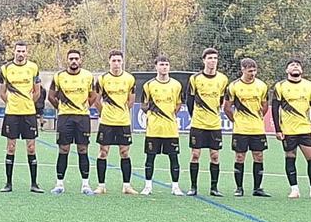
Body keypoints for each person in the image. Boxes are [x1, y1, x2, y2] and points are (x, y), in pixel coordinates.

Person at [272, 59, 311, 199]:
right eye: (291, 65)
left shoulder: (309, 86)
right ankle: (294, 189)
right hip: (288, 130)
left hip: (305, 129)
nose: (295, 66)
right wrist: (278, 129)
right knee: (290, 157)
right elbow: (274, 108)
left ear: (301, 70)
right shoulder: (280, 86)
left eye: (297, 65)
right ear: (287, 70)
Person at [49, 48, 97, 196]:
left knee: (83, 149)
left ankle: (85, 185)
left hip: (82, 117)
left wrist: (82, 107)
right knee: (63, 149)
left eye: (76, 58)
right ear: (67, 60)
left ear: (80, 60)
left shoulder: (88, 76)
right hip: (65, 118)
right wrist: (62, 108)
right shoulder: (59, 76)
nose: (74, 61)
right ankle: (59, 184)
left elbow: (93, 96)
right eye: (71, 59)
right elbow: (51, 96)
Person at [0, 42, 43, 194]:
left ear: (27, 52)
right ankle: (8, 183)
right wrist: (12, 103)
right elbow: (2, 93)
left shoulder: (33, 67)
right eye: (18, 51)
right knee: (11, 147)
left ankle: (34, 183)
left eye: (23, 51)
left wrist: (29, 103)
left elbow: (37, 91)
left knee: (31, 148)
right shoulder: (5, 69)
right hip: (11, 114)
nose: (21, 53)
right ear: (14, 51)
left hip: (29, 113)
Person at [224, 58, 270, 197]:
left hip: (257, 129)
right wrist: (236, 120)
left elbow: (265, 105)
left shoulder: (262, 86)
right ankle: (239, 188)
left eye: (254, 71)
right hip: (241, 129)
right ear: (242, 69)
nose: (253, 73)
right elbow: (227, 107)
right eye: (250, 71)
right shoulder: (234, 86)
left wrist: (258, 117)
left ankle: (257, 188)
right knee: (239, 157)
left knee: (259, 156)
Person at [186, 47, 228, 197]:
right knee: (195, 155)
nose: (212, 61)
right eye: (209, 58)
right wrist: (195, 117)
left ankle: (214, 188)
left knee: (215, 156)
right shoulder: (195, 79)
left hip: (214, 125)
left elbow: (222, 100)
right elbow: (189, 101)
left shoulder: (223, 79)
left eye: (215, 58)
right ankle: (193, 187)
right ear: (204, 60)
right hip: (198, 125)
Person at [94, 50, 137, 195]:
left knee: (124, 152)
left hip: (123, 122)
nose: (116, 63)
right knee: (103, 152)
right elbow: (96, 100)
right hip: (106, 122)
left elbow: (131, 101)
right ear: (109, 62)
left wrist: (121, 112)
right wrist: (104, 113)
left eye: (119, 60)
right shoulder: (102, 79)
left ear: (123, 62)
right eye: (114, 61)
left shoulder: (129, 79)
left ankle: (126, 186)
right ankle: (101, 185)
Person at [141, 55, 184, 196]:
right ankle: (148, 186)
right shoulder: (148, 85)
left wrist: (169, 116)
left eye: (166, 64)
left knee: (173, 158)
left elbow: (178, 104)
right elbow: (144, 105)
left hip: (170, 129)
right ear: (156, 66)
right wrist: (152, 115)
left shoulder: (176, 85)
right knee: (150, 158)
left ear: (169, 67)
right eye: (161, 64)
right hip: (153, 129)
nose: (164, 67)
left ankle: (175, 187)